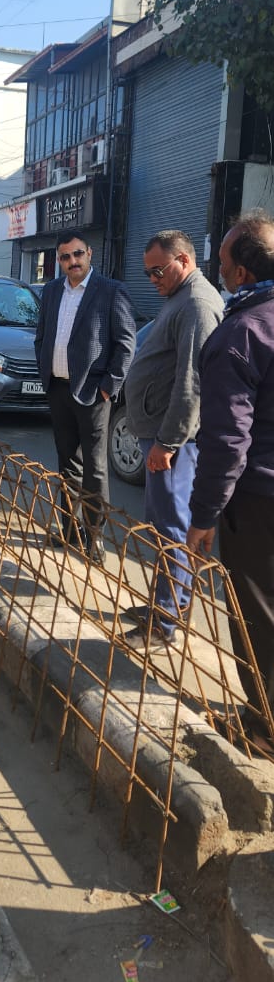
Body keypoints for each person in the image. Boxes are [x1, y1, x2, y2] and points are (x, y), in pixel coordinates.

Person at [187, 210, 274, 757]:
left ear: (241, 272)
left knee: (256, 615)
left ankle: (264, 728)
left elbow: (226, 442)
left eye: (221, 262)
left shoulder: (241, 333)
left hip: (259, 500)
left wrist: (203, 516)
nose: (217, 270)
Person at [124, 229, 223, 650]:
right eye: (148, 273)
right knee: (164, 524)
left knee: (171, 529)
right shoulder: (180, 297)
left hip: (172, 440)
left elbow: (192, 383)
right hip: (160, 432)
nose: (153, 280)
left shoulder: (197, 304)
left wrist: (167, 442)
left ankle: (164, 622)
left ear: (183, 260)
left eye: (158, 271)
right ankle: (168, 604)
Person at [34, 228, 136, 563]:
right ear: (59, 261)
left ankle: (94, 537)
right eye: (65, 257)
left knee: (95, 468)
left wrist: (109, 386)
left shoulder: (111, 291)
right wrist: (45, 371)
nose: (72, 261)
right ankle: (69, 529)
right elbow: (41, 336)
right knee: (67, 463)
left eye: (78, 254)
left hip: (93, 393)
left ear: (89, 253)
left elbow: (126, 345)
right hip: (58, 389)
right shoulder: (51, 291)